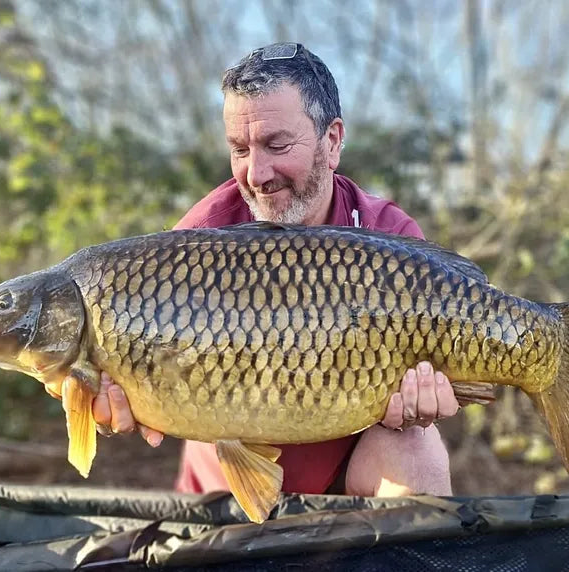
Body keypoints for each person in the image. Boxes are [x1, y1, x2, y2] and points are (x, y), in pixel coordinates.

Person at [85, 42, 463, 497]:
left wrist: (428, 399)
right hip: (224, 487)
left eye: (276, 144)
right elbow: (139, 367)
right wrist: (110, 401)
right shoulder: (197, 239)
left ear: (333, 140)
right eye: (239, 149)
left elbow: (437, 374)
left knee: (419, 452)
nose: (257, 173)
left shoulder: (387, 235)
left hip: (352, 483)